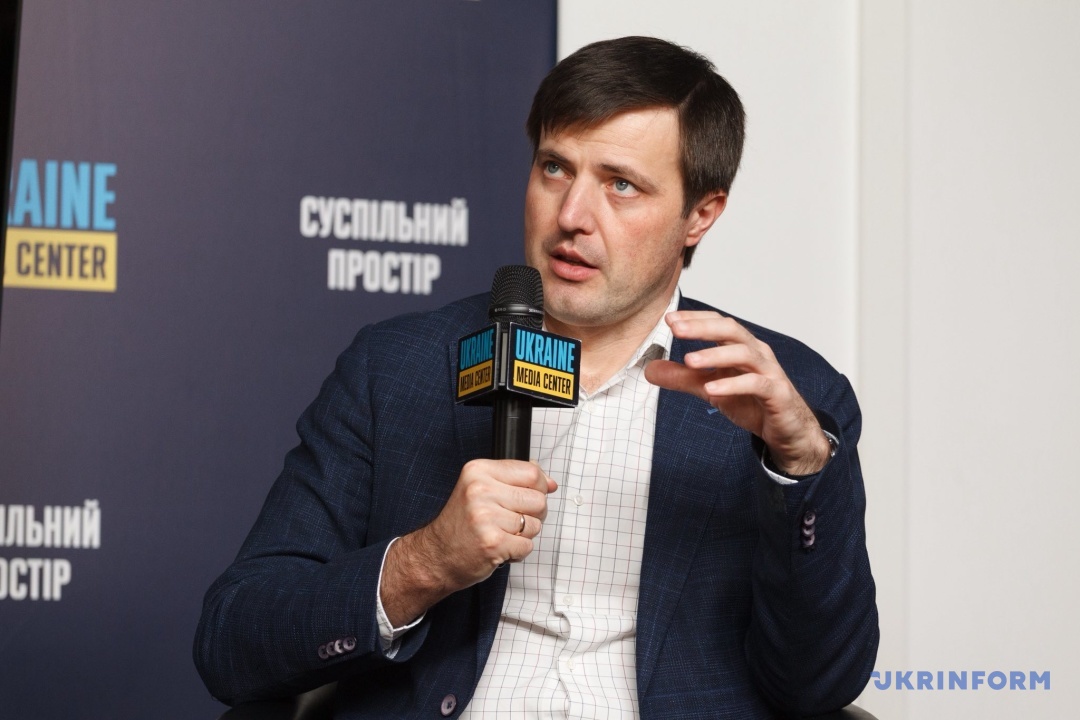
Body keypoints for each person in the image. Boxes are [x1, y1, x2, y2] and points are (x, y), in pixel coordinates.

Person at [195, 36, 878, 719]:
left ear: (699, 214)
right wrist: (424, 563)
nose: (571, 217)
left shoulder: (783, 398)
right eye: (555, 168)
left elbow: (819, 686)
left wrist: (799, 464)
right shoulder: (396, 367)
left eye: (620, 185)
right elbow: (233, 642)